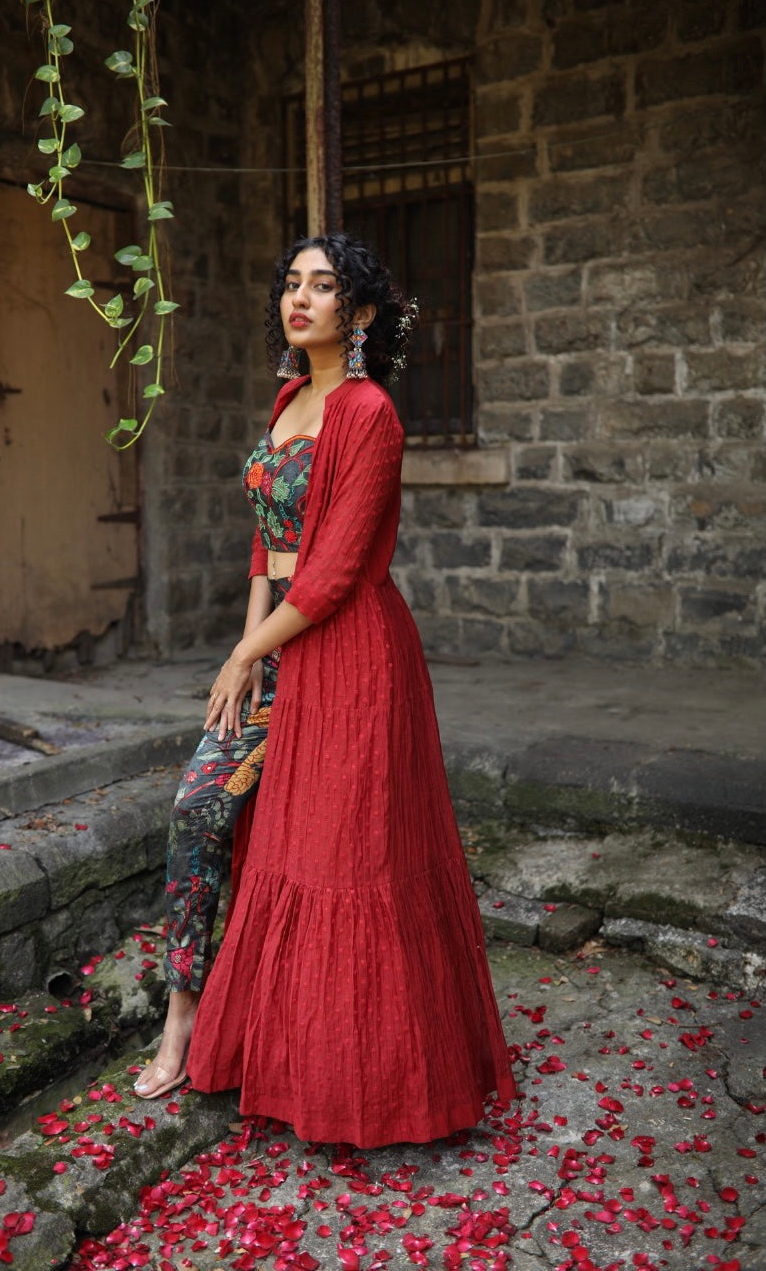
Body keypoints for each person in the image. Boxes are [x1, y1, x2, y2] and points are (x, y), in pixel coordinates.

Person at [134, 233, 517, 1145]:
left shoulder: (369, 413)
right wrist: (249, 646)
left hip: (352, 659)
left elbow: (337, 569)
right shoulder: (287, 401)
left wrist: (240, 658)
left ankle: (354, 1076)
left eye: (323, 286)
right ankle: (184, 1016)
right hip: (281, 646)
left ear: (362, 312)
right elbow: (270, 543)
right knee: (199, 810)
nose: (299, 298)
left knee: (344, 858)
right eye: (291, 284)